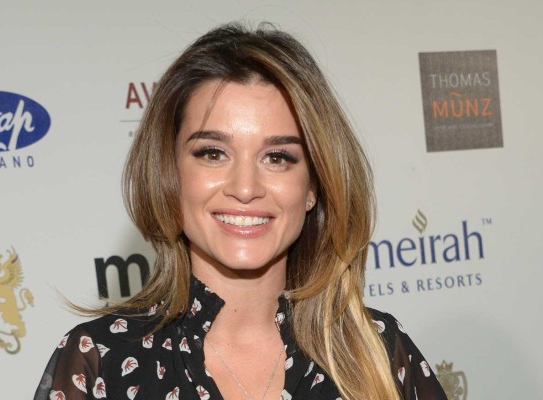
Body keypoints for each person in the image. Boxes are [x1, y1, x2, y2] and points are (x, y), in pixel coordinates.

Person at [34, 22, 447, 400]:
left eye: (278, 157)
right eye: (213, 153)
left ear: (313, 187)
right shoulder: (101, 361)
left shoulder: (379, 352)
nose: (245, 189)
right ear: (169, 174)